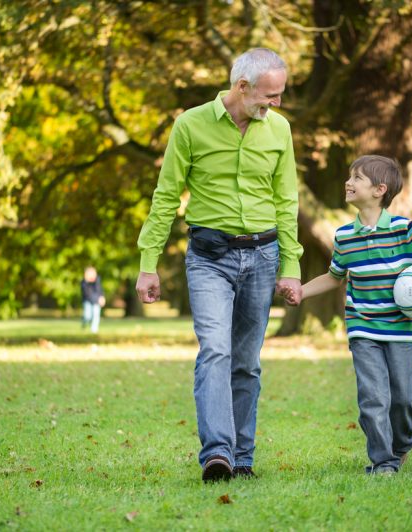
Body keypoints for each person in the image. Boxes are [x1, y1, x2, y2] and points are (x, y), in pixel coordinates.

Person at [136, 48, 303, 482]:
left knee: (246, 361)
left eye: (280, 95)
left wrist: (291, 266)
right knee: (215, 350)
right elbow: (166, 196)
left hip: (264, 256)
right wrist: (148, 263)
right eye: (271, 95)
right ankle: (218, 454)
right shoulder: (191, 124)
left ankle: (242, 457)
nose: (277, 104)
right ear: (242, 87)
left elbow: (287, 201)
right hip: (210, 257)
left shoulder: (279, 130)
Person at [294, 155, 412, 475]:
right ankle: (383, 462)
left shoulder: (403, 230)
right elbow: (334, 276)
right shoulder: (344, 236)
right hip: (363, 328)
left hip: (400, 330)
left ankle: (401, 445)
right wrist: (301, 291)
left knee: (404, 399)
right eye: (349, 177)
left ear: (380, 189)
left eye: (357, 178)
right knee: (373, 398)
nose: (348, 182)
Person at [81, 266, 105, 334]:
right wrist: (98, 299)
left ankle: (94, 330)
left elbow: (100, 290)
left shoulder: (97, 281)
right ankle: (84, 322)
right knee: (87, 316)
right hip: (87, 301)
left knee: (96, 315)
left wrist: (102, 297)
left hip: (96, 301)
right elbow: (88, 294)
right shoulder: (84, 283)